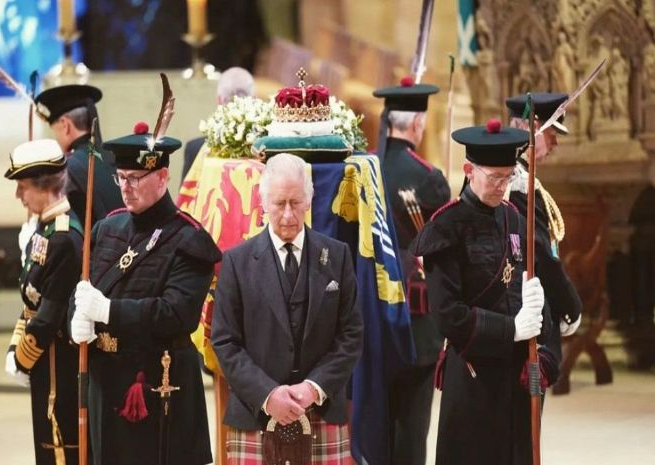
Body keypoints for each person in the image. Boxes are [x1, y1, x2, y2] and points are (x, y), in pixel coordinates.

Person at [69, 121, 222, 465]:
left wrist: (109, 312)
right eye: (120, 177)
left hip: (155, 387)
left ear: (163, 177)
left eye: (135, 178)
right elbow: (81, 290)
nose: (126, 187)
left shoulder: (189, 239)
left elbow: (176, 313)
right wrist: (74, 320)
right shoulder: (108, 228)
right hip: (104, 384)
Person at [410, 120, 558, 465]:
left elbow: (528, 285)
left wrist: (540, 315)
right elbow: (448, 315)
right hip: (474, 377)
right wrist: (511, 329)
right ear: (469, 170)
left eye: (507, 178)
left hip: (517, 376)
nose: (501, 187)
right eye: (493, 178)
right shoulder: (446, 228)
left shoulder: (513, 219)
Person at [211, 153, 363, 464]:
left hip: (321, 409)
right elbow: (225, 342)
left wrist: (313, 388)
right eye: (280, 203)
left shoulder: (338, 256)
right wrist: (269, 395)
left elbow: (351, 335)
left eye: (296, 202)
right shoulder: (236, 262)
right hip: (255, 414)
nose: (289, 215)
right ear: (262, 202)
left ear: (310, 200)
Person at [373, 78, 451, 464]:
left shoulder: (364, 170)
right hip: (416, 316)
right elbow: (445, 250)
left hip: (372, 313)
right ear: (418, 123)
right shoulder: (428, 178)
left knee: (378, 422)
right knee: (413, 425)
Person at [4, 138, 83, 465]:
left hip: (57, 366)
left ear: (45, 186)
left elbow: (49, 315)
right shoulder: (45, 230)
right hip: (44, 360)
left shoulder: (62, 238)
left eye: (22, 186)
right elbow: (31, 303)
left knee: (58, 447)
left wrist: (22, 357)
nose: (18, 195)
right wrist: (15, 346)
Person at [506, 93, 582, 338]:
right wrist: (571, 305)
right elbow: (539, 251)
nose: (556, 144)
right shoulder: (516, 182)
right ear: (534, 128)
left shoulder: (512, 173)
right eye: (553, 135)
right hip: (522, 306)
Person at [35, 84, 123, 227]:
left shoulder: (66, 169)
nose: (56, 138)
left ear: (65, 125)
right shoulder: (116, 156)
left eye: (55, 130)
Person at [181, 67, 256, 179]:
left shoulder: (195, 150)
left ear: (219, 100)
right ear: (254, 99)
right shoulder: (265, 149)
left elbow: (186, 195)